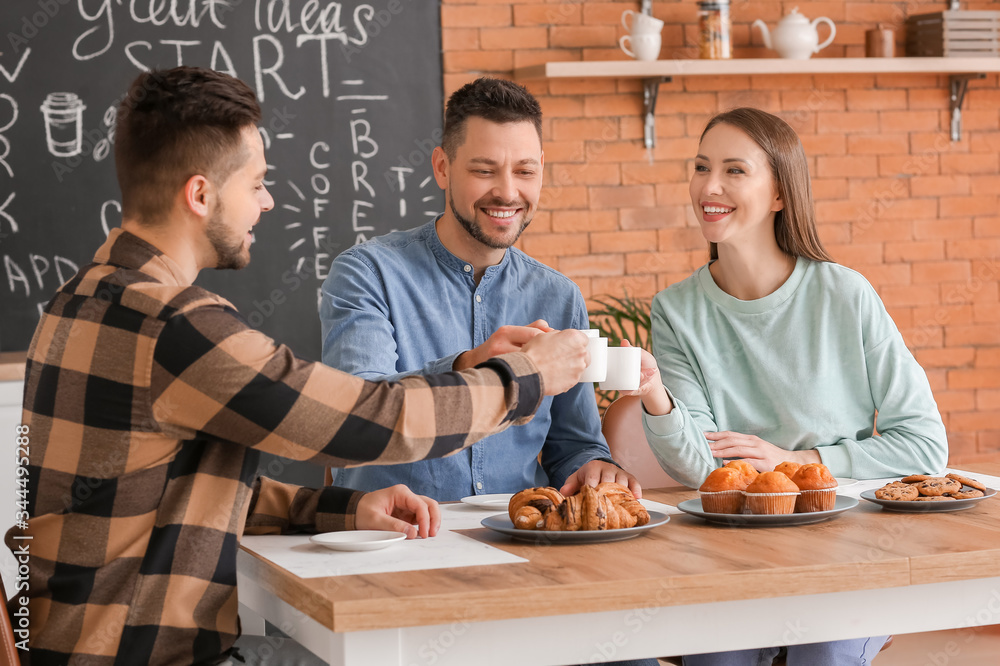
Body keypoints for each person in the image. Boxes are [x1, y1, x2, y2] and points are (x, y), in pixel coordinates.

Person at [6, 66, 591, 666]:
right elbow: (370, 419)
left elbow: (164, 488)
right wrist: (526, 378)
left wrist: (340, 509)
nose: (268, 201)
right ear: (201, 195)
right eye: (256, 183)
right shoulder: (176, 328)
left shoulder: (77, 301)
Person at [631, 107, 948, 665]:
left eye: (735, 170)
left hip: (844, 554)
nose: (710, 186)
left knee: (821, 656)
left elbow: (924, 445)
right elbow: (701, 467)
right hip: (728, 557)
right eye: (702, 167)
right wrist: (656, 393)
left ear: (780, 193)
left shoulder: (844, 295)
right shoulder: (677, 310)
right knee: (716, 660)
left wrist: (792, 460)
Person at [319, 77, 642, 503]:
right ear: (442, 167)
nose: (508, 192)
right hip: (396, 540)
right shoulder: (367, 273)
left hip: (520, 536)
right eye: (484, 170)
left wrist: (595, 468)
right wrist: (472, 366)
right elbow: (357, 415)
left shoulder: (560, 296)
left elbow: (574, 445)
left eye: (525, 171)